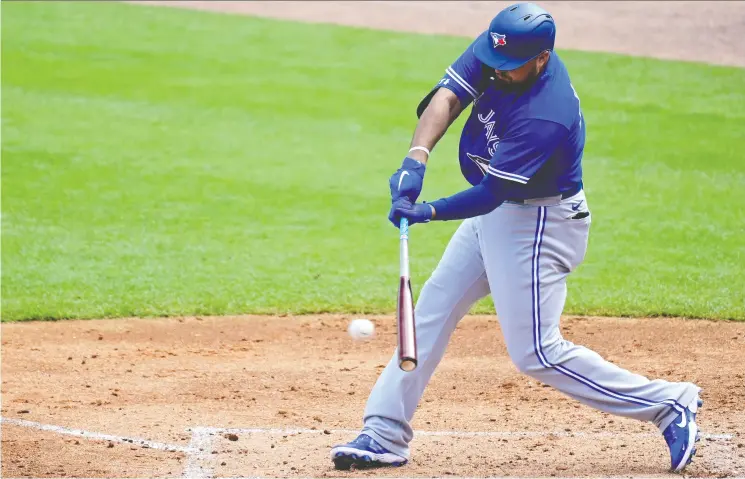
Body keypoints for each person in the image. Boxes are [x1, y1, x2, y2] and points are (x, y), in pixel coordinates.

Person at [330, 2, 702, 473]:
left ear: (542, 59)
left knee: (537, 354)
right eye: (494, 61)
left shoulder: (546, 113)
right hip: (502, 216)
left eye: (509, 68)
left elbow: (490, 194)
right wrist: (415, 160)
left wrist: (426, 210)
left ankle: (669, 404)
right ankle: (384, 432)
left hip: (538, 225)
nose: (497, 71)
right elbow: (447, 96)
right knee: (431, 314)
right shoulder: (502, 47)